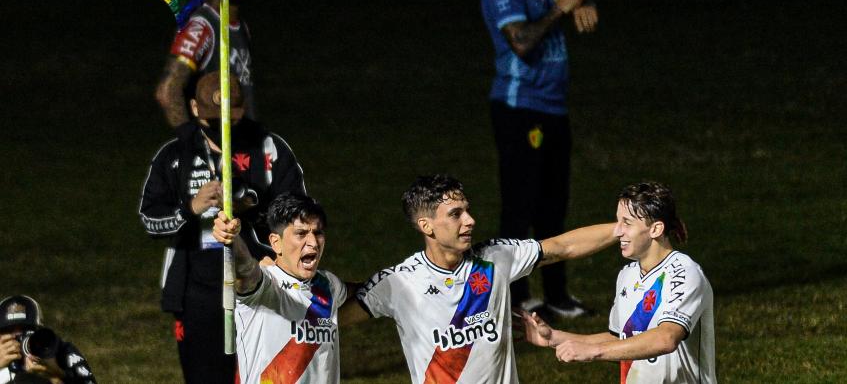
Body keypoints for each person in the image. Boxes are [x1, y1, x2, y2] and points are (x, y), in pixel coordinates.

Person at [341, 174, 617, 383]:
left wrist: (624, 228)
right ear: (426, 226)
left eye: (467, 210)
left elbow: (563, 247)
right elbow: (333, 320)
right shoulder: (399, 283)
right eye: (455, 214)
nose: (470, 220)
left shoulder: (495, 258)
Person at [139, 71, 306, 383]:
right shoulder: (175, 155)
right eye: (213, 120)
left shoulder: (269, 150)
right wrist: (192, 208)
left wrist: (252, 207)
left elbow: (300, 220)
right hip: (196, 295)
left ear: (242, 109)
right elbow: (151, 221)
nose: (222, 128)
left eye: (230, 118)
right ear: (194, 107)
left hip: (262, 285)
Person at [480, 0, 599, 318]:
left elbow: (564, 3)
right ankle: (514, 298)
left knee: (554, 205)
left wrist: (580, 6)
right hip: (519, 108)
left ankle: (557, 295)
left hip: (553, 108)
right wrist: (557, 10)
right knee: (520, 205)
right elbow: (522, 42)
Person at [519, 182, 717, 383]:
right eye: (617, 222)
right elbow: (621, 340)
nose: (617, 231)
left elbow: (666, 338)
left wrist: (594, 351)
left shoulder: (685, 273)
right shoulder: (627, 275)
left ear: (656, 229)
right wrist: (554, 337)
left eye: (627, 223)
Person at [212, 192, 348, 383]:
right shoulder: (266, 284)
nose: (313, 243)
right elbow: (246, 270)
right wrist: (233, 240)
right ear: (276, 242)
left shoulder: (330, 286)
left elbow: (364, 296)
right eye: (301, 234)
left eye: (317, 233)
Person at [155, 0, 256, 128]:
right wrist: (191, 141)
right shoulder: (202, 26)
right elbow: (168, 90)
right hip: (217, 149)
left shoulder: (241, 26)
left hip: (243, 147)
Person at [0, 296, 96, 384]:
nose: (18, 336)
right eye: (8, 330)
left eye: (26, 329)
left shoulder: (60, 351)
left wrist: (58, 377)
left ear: (39, 331)